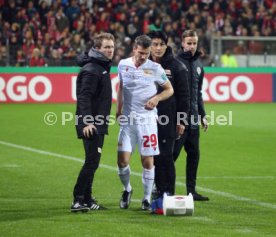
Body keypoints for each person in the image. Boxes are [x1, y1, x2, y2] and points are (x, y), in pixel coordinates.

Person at [116, 35, 174, 210]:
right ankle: (127, 190)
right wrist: (118, 109)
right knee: (122, 161)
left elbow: (169, 89)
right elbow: (121, 86)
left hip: (147, 120)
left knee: (147, 161)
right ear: (134, 49)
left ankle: (146, 198)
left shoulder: (155, 68)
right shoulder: (123, 64)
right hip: (128, 120)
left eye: (146, 54)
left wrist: (156, 98)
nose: (143, 57)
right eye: (141, 53)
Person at [71, 32, 115, 212]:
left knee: (93, 160)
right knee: (92, 161)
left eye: (112, 47)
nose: (110, 50)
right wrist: (88, 122)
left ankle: (87, 199)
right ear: (97, 48)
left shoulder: (100, 67)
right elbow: (84, 97)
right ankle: (78, 199)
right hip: (91, 124)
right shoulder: (92, 69)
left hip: (97, 122)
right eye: (106, 47)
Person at [147, 30, 190, 198]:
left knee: (166, 156)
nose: (158, 48)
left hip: (168, 119)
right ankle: (157, 189)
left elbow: (184, 96)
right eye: (154, 44)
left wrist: (181, 121)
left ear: (167, 45)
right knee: (152, 156)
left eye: (161, 45)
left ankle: (168, 192)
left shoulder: (177, 66)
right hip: (148, 119)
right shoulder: (143, 64)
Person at [173, 29, 209, 201]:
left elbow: (198, 93)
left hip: (193, 119)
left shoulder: (199, 65)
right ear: (182, 43)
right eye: (189, 43)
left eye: (194, 43)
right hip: (178, 119)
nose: (192, 46)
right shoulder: (175, 63)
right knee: (171, 155)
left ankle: (191, 191)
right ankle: (161, 188)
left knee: (194, 155)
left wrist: (203, 115)